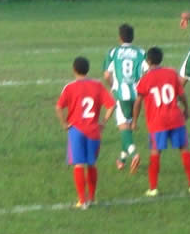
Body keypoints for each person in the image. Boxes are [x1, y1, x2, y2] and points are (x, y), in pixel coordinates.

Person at [133, 46, 190, 197]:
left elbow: (138, 102)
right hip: (176, 118)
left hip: (157, 122)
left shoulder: (145, 79)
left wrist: (134, 120)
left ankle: (153, 188)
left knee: (155, 152)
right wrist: (186, 109)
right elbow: (182, 95)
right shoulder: (171, 73)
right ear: (161, 59)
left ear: (148, 61)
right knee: (184, 149)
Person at [56, 56, 116, 209]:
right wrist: (103, 122)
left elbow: (58, 107)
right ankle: (93, 197)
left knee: (78, 165)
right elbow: (111, 105)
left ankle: (82, 201)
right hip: (93, 130)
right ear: (88, 69)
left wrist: (64, 124)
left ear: (74, 70)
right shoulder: (97, 86)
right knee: (91, 164)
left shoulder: (69, 87)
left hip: (76, 130)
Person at [102, 23, 147, 173]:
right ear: (132, 37)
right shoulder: (141, 52)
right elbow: (148, 71)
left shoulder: (113, 52)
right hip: (137, 95)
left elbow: (107, 75)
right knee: (127, 127)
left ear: (119, 37)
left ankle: (134, 155)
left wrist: (112, 86)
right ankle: (121, 159)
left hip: (121, 94)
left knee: (123, 128)